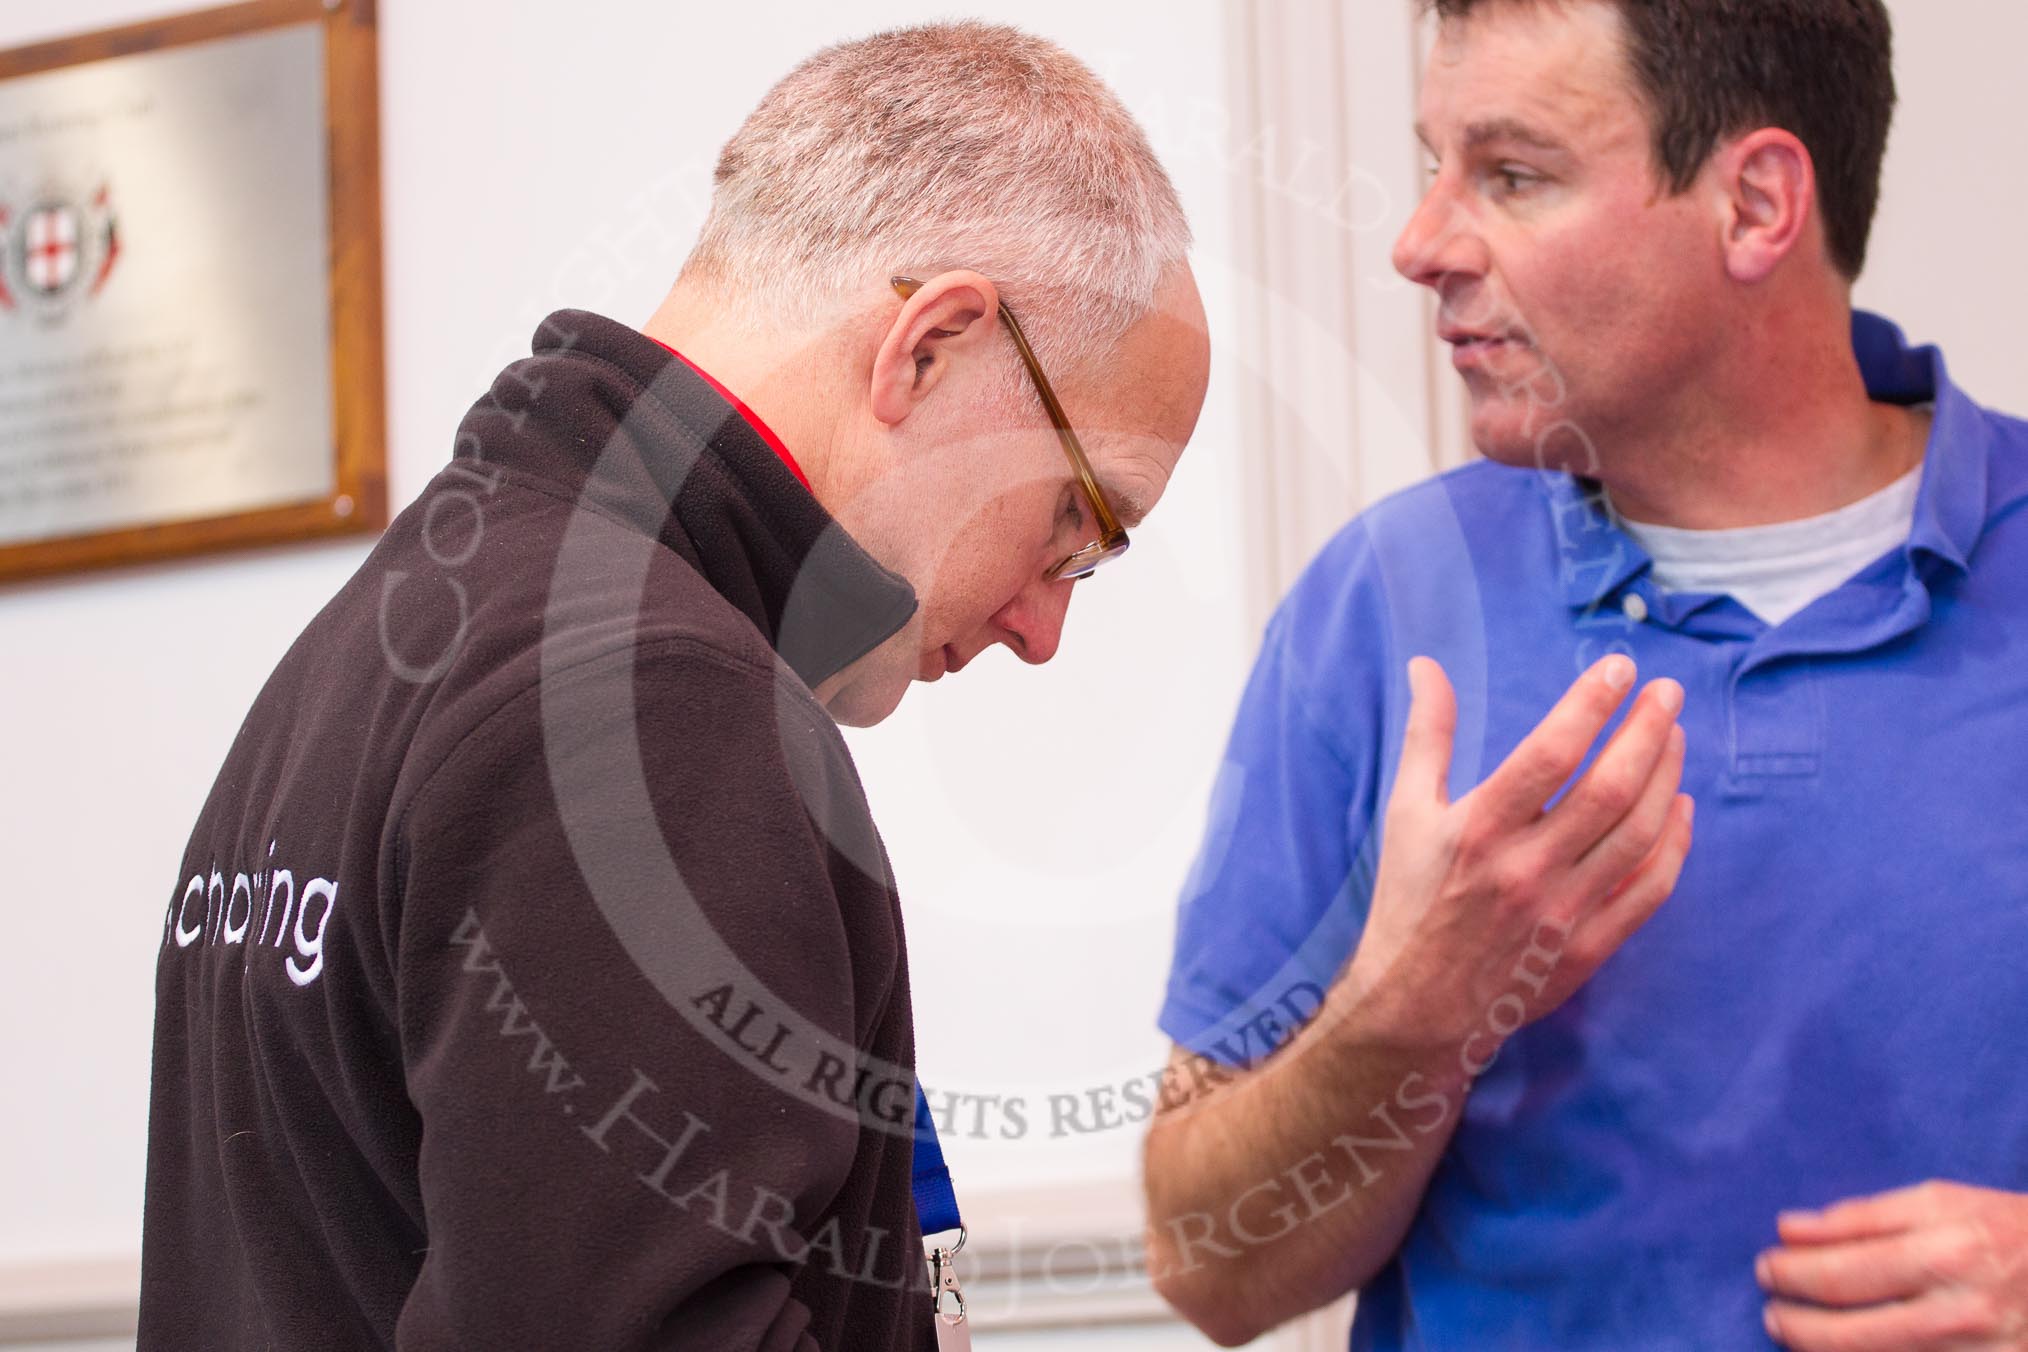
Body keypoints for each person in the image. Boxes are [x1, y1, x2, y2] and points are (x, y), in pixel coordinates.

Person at [139, 21, 1209, 1350]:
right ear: (926, 348)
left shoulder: (389, 634)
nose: (1044, 628)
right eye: (1074, 528)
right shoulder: (655, 704)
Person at [1143, 1, 2028, 1348]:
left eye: (1511, 174)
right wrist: (1413, 1014)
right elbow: (1209, 1267)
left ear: (1755, 206)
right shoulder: (1386, 602)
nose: (1420, 241)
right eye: (1434, 162)